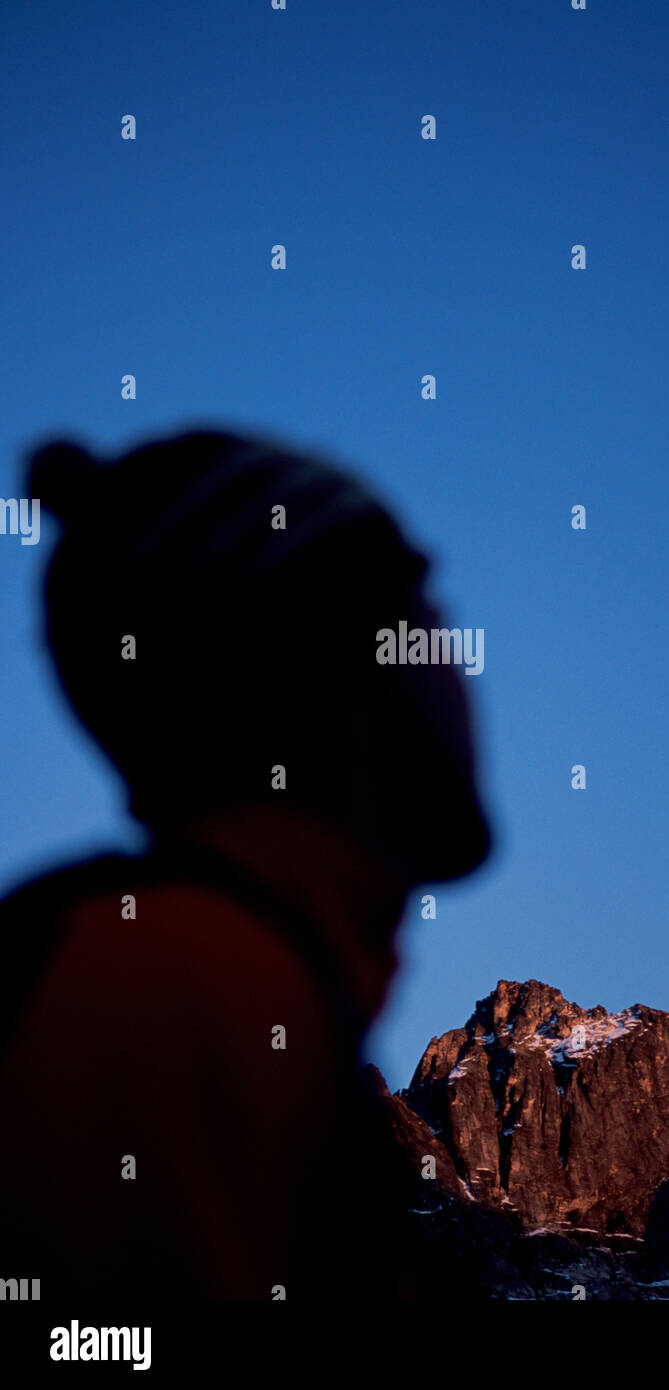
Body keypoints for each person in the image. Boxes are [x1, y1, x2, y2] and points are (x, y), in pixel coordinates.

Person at [0, 428, 491, 1299]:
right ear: (323, 662)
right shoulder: (176, 987)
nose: (459, 663)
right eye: (424, 618)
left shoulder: (212, 969)